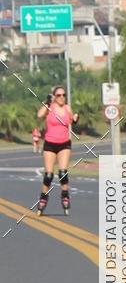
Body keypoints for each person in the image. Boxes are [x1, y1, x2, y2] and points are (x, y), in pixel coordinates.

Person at [36, 86, 78, 216]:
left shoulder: (67, 108)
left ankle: (65, 196)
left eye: (63, 95)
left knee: (63, 173)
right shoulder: (50, 107)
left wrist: (76, 118)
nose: (61, 97)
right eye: (58, 95)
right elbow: (39, 115)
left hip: (64, 144)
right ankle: (43, 198)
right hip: (50, 144)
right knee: (48, 175)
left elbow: (73, 120)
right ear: (54, 96)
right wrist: (48, 101)